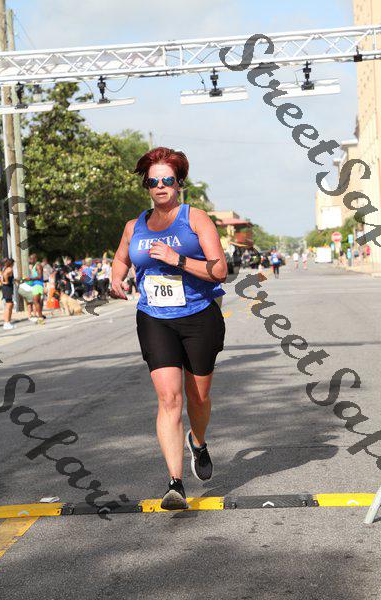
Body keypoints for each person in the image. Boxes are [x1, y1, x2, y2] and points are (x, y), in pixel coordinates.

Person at [111, 146, 227, 510]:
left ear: (179, 184)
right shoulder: (134, 227)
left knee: (198, 397)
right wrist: (117, 278)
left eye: (167, 180)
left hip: (199, 316)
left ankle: (199, 442)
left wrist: (178, 259)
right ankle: (175, 483)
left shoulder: (196, 219)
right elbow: (121, 258)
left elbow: (219, 270)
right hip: (154, 318)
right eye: (153, 182)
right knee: (169, 399)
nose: (160, 187)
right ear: (146, 186)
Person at [23, 254, 45, 324]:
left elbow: (40, 276)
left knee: (36, 301)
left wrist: (30, 279)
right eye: (29, 259)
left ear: (35, 259)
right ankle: (40, 317)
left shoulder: (38, 266)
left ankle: (40, 318)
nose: (30, 260)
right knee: (36, 302)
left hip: (38, 285)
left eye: (31, 259)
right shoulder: (34, 266)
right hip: (35, 285)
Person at [0, 258, 15, 330]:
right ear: (12, 263)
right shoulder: (10, 269)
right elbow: (5, 275)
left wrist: (3, 282)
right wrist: (6, 281)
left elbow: (1, 275)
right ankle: (6, 323)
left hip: (6, 288)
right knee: (9, 305)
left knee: (10, 304)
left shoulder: (5, 268)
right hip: (8, 288)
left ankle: (8, 322)